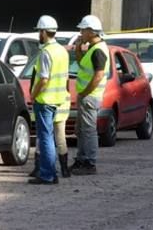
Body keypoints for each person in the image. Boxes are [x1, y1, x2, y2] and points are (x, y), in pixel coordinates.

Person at [28, 15, 69, 185]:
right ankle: (51, 173)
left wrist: (33, 94)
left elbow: (43, 78)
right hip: (57, 99)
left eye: (39, 31)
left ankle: (47, 174)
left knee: (45, 138)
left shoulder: (46, 52)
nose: (39, 34)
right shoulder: (62, 51)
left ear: (44, 32)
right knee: (49, 137)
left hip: (45, 100)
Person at [71, 14, 110, 175]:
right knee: (81, 130)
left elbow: (98, 75)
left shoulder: (98, 51)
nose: (81, 33)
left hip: (90, 96)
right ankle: (81, 159)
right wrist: (79, 50)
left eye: (83, 30)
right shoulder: (93, 49)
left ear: (91, 32)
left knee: (88, 130)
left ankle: (89, 162)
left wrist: (86, 92)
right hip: (86, 95)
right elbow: (81, 64)